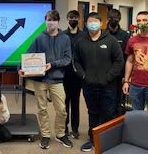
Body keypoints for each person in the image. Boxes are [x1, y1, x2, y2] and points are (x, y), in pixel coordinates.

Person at [18, 10, 72, 150]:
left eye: (54, 19)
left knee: (62, 110)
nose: (51, 22)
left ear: (58, 21)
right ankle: (46, 135)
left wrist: (52, 64)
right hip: (40, 80)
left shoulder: (65, 39)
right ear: (45, 21)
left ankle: (60, 134)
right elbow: (28, 55)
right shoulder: (39, 38)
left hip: (57, 80)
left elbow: (67, 59)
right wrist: (21, 67)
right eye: (48, 19)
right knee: (42, 109)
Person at [74, 12, 124, 152]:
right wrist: (84, 76)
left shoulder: (111, 40)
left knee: (108, 113)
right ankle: (93, 140)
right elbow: (76, 62)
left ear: (101, 23)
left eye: (95, 21)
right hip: (89, 85)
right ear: (86, 23)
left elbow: (119, 61)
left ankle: (107, 142)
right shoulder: (80, 41)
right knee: (93, 113)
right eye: (90, 21)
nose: (93, 24)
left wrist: (108, 77)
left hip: (108, 86)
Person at [63, 10, 85, 139]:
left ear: (79, 19)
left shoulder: (83, 35)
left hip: (77, 75)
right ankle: (64, 128)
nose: (73, 19)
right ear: (67, 18)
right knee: (64, 103)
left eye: (76, 17)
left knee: (76, 102)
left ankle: (75, 128)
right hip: (65, 74)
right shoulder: (62, 35)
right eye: (71, 17)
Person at [106, 9, 130, 116]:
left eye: (115, 19)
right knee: (107, 103)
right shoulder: (102, 33)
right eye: (111, 19)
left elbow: (127, 57)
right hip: (105, 74)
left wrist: (126, 77)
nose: (113, 21)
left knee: (119, 103)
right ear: (107, 19)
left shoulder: (125, 35)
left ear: (119, 20)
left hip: (119, 75)